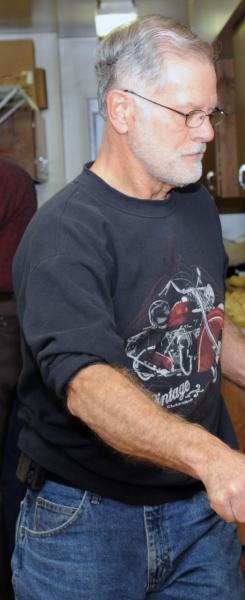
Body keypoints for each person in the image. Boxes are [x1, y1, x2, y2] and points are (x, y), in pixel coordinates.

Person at [10, 15, 245, 600]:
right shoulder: (63, 233)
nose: (207, 134)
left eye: (210, 114)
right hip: (85, 525)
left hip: (196, 514)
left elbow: (205, 320)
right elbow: (88, 385)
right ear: (122, 111)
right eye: (188, 114)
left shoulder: (194, 204)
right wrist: (215, 458)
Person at [0, 158, 36, 600]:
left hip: (7, 332)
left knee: (12, 472)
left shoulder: (9, 180)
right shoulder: (14, 178)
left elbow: (11, 270)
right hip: (12, 333)